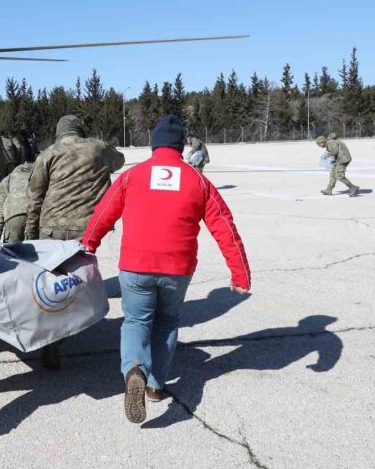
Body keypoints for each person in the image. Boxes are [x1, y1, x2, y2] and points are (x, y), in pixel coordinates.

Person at [82, 115, 251, 425]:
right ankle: (155, 386)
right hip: (177, 268)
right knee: (166, 321)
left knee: (135, 320)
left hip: (135, 265)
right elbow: (225, 227)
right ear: (182, 145)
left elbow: (103, 212)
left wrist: (88, 244)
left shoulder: (134, 175)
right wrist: (239, 274)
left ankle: (134, 368)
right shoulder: (197, 179)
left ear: (154, 143)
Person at [25, 114, 125, 369]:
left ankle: (52, 342)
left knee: (52, 285)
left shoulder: (47, 154)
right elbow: (119, 161)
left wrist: (30, 237)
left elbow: (34, 198)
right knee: (80, 279)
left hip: (52, 230)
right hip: (87, 231)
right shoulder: (98, 148)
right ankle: (82, 323)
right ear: (80, 130)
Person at [0, 153, 36, 243]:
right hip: (38, 214)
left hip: (15, 214)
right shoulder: (45, 173)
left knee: (12, 252)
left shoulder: (10, 177)